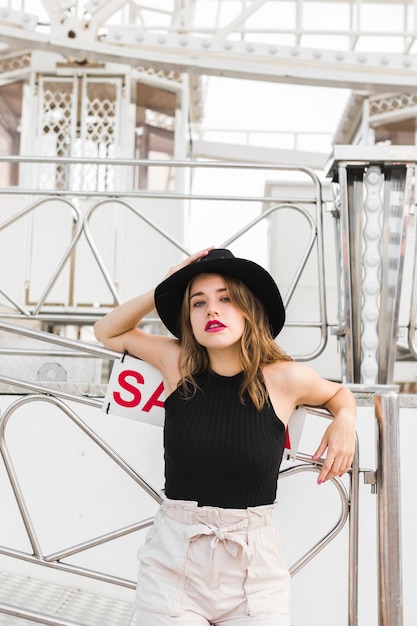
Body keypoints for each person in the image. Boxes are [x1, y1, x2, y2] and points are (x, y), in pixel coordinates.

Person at [94, 247, 356, 626]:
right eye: (198, 303)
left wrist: (345, 421)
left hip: (254, 568)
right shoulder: (177, 362)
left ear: (251, 310)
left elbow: (338, 394)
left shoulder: (284, 378)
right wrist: (163, 288)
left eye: (226, 299)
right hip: (173, 562)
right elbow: (108, 331)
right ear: (189, 318)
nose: (211, 310)